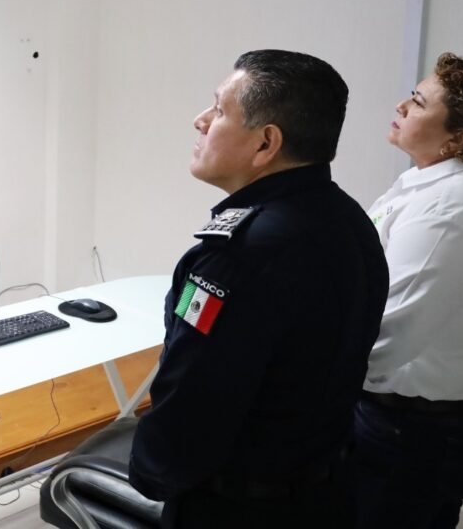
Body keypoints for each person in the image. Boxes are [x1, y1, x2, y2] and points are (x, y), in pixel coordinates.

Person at [127, 50, 389, 528]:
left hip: (237, 506)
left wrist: (148, 475)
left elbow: (192, 397)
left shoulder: (240, 256)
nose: (200, 120)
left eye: (218, 110)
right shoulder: (349, 220)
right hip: (325, 491)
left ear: (266, 142)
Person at [354, 51, 463, 529]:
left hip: (417, 432)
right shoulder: (431, 182)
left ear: (459, 139)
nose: (401, 106)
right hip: (420, 419)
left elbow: (383, 340)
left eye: (417, 102)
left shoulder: (451, 212)